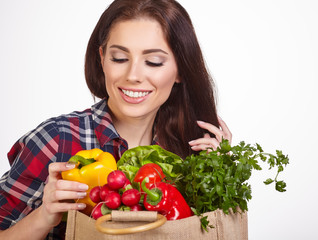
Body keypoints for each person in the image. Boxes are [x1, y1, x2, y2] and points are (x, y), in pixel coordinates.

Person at [0, 0, 232, 239]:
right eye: (119, 58)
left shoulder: (193, 151)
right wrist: (44, 216)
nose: (133, 76)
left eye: (153, 62)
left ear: (181, 70)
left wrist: (221, 174)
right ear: (102, 59)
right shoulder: (57, 139)